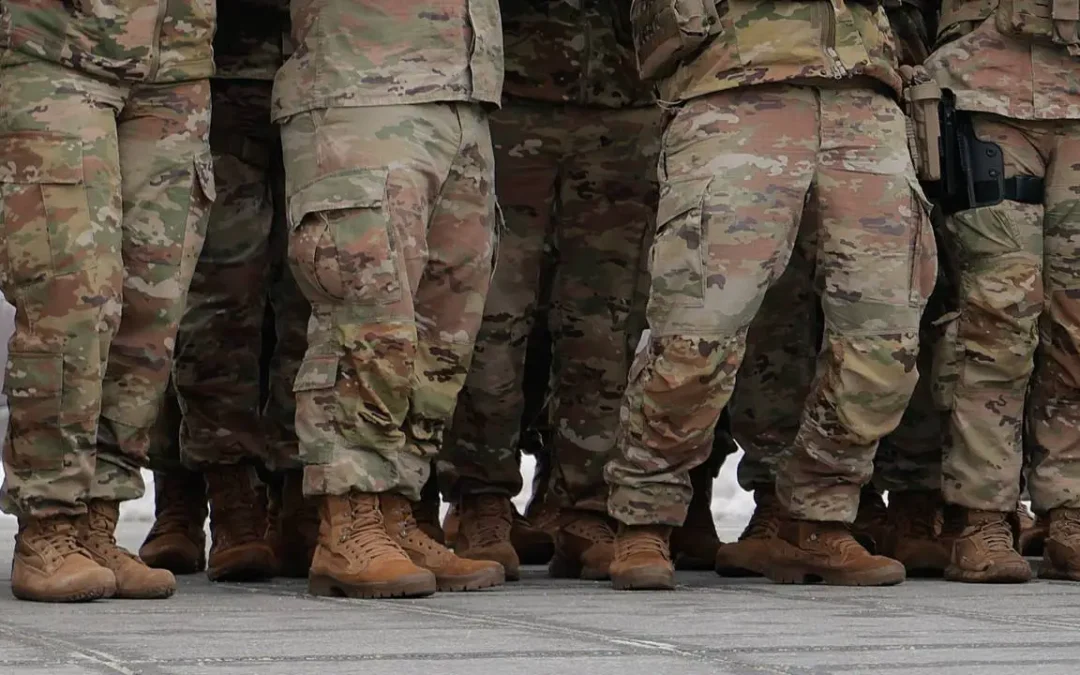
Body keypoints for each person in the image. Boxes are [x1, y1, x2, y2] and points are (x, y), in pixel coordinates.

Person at [605, 0, 937, 590]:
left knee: (885, 338)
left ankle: (815, 517)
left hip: (866, 98)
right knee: (696, 334)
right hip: (734, 89)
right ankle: (644, 518)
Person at [272, 0, 507, 598]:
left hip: (465, 92)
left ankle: (395, 511)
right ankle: (348, 520)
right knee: (367, 317)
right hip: (364, 82)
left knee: (443, 332)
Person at [437, 0, 665, 582]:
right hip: (512, 95)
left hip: (626, 98)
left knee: (608, 323)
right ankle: (481, 500)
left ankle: (586, 507)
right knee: (493, 317)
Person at [0, 0, 216, 601]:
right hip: (55, 43)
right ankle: (49, 526)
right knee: (73, 296)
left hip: (177, 57)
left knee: (151, 310)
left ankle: (97, 524)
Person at [139, 0, 308, 584]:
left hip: (327, 78)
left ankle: (296, 497)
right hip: (210, 72)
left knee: (311, 303)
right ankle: (215, 496)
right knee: (212, 300)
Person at [926, 0, 1080, 583]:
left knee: (1076, 324)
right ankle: (981, 517)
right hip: (985, 90)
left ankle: (1071, 511)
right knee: (998, 318)